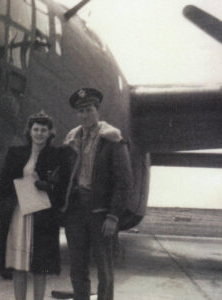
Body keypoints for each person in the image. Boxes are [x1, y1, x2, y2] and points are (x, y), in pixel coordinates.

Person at [62, 88, 132, 300]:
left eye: (89, 110)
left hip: (100, 212)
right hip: (75, 211)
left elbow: (124, 181)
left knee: (104, 267)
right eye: (81, 111)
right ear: (77, 114)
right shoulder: (71, 140)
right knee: (77, 266)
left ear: (97, 111)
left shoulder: (112, 140)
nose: (85, 115)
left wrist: (113, 216)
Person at [0, 111, 72, 300]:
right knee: (18, 263)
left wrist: (48, 186)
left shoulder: (57, 155)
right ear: (29, 132)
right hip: (19, 213)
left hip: (43, 215)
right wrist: (2, 206)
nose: (39, 133)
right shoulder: (16, 153)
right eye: (35, 129)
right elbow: (4, 181)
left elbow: (64, 185)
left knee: (41, 265)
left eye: (43, 130)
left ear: (49, 133)